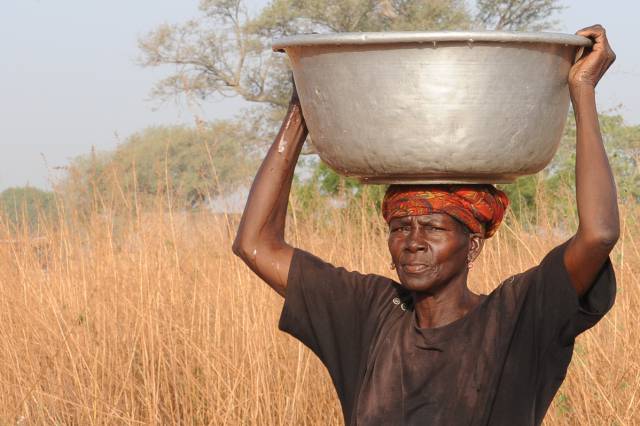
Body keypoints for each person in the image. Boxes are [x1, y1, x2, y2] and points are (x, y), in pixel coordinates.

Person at [233, 25, 618, 425]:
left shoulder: (516, 318)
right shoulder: (369, 315)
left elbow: (599, 234)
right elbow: (255, 244)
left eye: (433, 228)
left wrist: (583, 90)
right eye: (399, 228)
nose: (412, 243)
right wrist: (305, 103)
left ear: (472, 245)